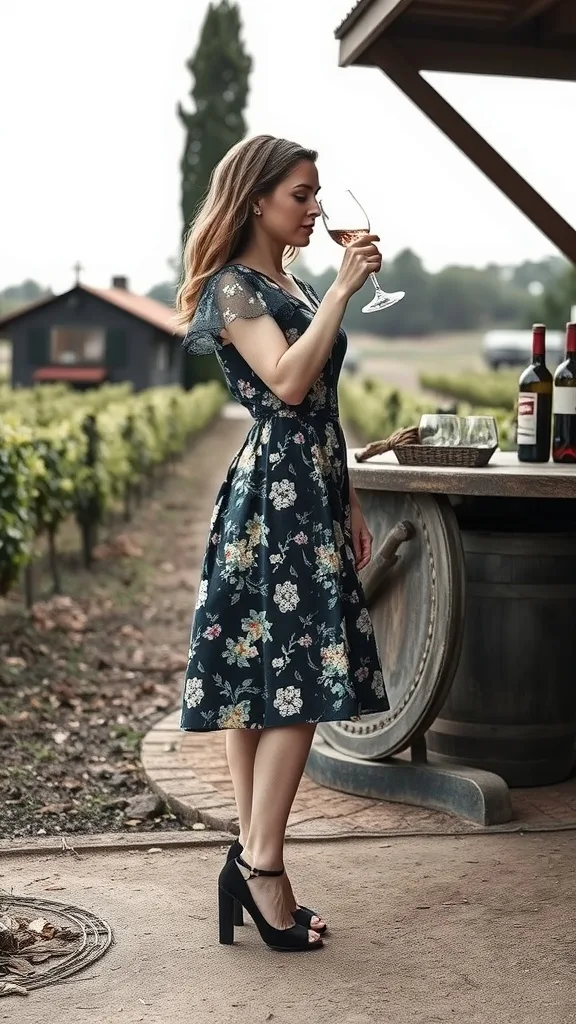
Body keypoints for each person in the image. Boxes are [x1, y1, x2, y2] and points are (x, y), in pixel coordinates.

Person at [176, 135, 389, 953]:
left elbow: (323, 404)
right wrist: (343, 288)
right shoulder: (233, 288)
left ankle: (251, 856)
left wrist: (352, 499)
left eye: (317, 194)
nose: (316, 208)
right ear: (257, 199)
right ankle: (264, 865)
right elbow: (289, 382)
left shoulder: (285, 281)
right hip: (275, 501)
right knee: (293, 679)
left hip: (311, 491)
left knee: (262, 679)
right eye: (302, 194)